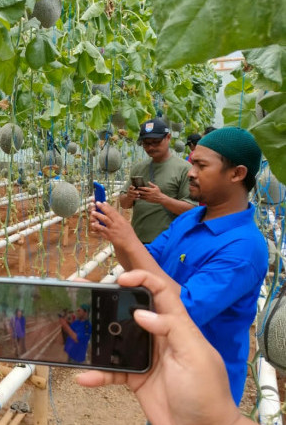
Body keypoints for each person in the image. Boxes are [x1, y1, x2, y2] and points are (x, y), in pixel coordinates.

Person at [92, 127, 269, 404]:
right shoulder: (191, 218)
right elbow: (141, 265)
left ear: (237, 174)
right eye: (191, 163)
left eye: (201, 165)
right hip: (165, 372)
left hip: (205, 393)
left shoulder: (244, 248)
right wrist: (117, 237)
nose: (191, 172)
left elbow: (182, 311)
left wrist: (128, 238)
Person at [76, 270, 255, 425]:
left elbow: (190, 307)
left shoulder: (244, 251)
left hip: (192, 367)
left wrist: (220, 421)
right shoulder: (180, 228)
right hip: (168, 383)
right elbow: (150, 254)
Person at [119, 117, 195, 243]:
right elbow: (124, 204)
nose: (151, 147)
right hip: (139, 243)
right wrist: (129, 197)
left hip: (169, 243)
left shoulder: (185, 168)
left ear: (168, 137)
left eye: (156, 142)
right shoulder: (138, 168)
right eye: (146, 143)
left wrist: (161, 198)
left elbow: (192, 209)